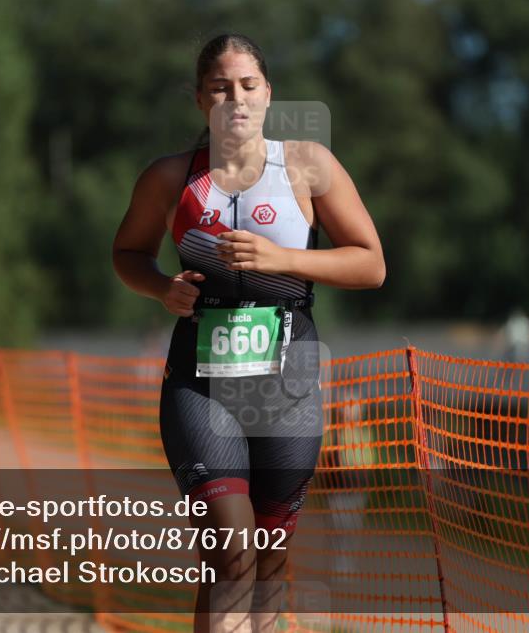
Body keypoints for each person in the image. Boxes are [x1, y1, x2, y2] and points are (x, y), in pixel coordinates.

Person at [112, 33, 384, 633]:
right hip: (200, 382)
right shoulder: (169, 178)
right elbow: (127, 254)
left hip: (288, 382)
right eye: (219, 87)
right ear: (200, 100)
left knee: (269, 559)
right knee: (229, 552)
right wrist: (161, 288)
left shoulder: (307, 166)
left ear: (268, 93)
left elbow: (370, 263)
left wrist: (282, 259)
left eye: (248, 85)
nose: (235, 98)